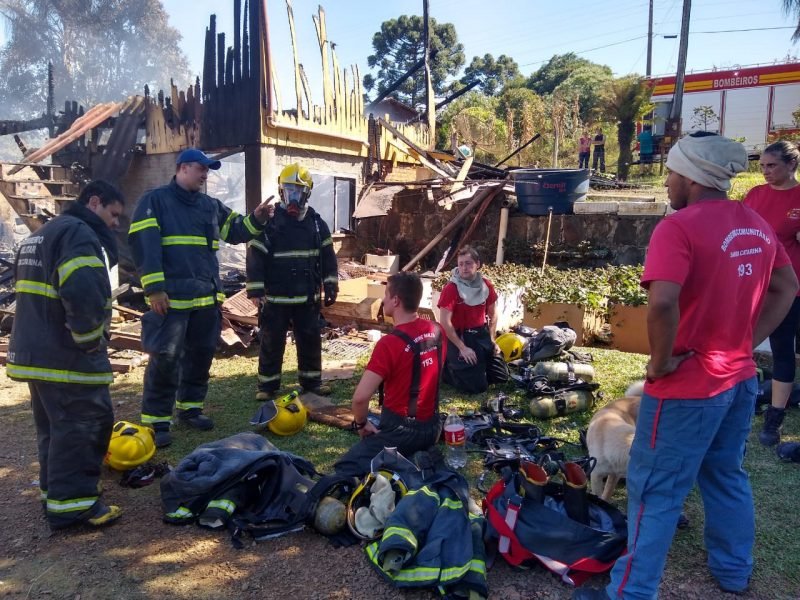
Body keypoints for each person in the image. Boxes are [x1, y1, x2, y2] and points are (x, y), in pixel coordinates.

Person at [573, 133, 798, 600]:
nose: (669, 182)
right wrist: (746, 342)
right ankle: (734, 572)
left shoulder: (678, 227)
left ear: (691, 176)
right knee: (726, 476)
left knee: (654, 490)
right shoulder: (755, 223)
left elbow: (662, 304)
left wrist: (657, 364)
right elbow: (787, 286)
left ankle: (629, 593)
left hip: (687, 388)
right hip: (738, 381)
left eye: (672, 173)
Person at [129, 148, 272, 448]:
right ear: (182, 168)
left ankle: (190, 410)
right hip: (170, 301)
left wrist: (257, 218)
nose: (206, 174)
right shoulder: (154, 201)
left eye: (209, 169)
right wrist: (154, 288)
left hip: (205, 300)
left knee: (200, 356)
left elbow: (235, 230)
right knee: (166, 358)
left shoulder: (209, 206)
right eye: (201, 168)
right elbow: (145, 247)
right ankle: (156, 421)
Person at [8, 180, 126, 530]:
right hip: (66, 357)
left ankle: (56, 494)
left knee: (55, 429)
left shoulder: (43, 234)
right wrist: (90, 339)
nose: (116, 224)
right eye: (113, 214)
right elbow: (81, 288)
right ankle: (76, 508)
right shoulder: (78, 233)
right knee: (83, 426)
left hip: (37, 352)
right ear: (94, 202)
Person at [334, 272, 445, 478]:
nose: (383, 299)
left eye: (386, 294)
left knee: (346, 466)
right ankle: (416, 456)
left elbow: (360, 398)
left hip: (402, 432)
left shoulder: (389, 344)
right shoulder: (437, 330)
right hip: (433, 428)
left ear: (395, 300)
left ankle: (404, 460)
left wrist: (361, 424)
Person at [246, 163, 339, 401]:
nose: (293, 197)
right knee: (271, 341)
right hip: (276, 298)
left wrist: (330, 284)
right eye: (289, 191)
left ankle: (311, 382)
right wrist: (256, 289)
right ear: (281, 191)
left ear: (307, 193)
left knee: (310, 340)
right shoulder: (270, 221)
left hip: (307, 298)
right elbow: (255, 254)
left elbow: (328, 257)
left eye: (298, 191)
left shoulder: (317, 224)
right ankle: (267, 386)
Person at [743, 140, 800, 446]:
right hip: (752, 283)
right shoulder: (755, 195)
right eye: (762, 165)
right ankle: (745, 397)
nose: (765, 171)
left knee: (782, 349)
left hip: (788, 288)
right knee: (742, 343)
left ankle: (775, 418)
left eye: (772, 165)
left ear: (791, 165)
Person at [437, 245, 506, 394]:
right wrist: (462, 348)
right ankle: (448, 370)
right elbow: (444, 322)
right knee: (477, 387)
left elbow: (493, 314)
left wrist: (492, 340)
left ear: (478, 264)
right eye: (461, 264)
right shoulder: (451, 288)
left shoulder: (486, 285)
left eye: (468, 263)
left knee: (501, 377)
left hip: (481, 334)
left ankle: (477, 364)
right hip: (458, 336)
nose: (464, 268)